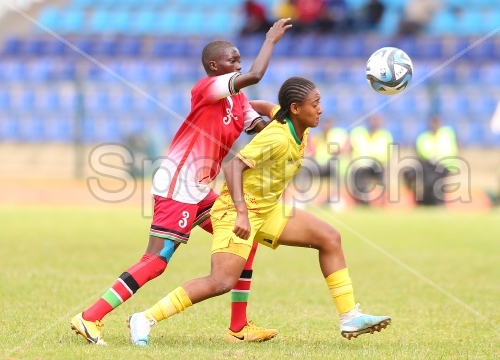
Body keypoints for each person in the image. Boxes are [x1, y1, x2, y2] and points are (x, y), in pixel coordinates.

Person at [70, 19, 293, 345]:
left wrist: (287, 118)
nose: (239, 64)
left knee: (245, 239)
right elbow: (256, 75)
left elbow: (259, 126)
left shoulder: (238, 100)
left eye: (240, 59)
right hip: (179, 185)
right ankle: (90, 317)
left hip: (200, 189)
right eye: (233, 60)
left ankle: (239, 327)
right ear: (215, 66)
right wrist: (270, 40)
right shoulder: (208, 88)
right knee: (157, 260)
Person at [127, 77, 391, 346]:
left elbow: (266, 106)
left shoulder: (296, 121)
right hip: (235, 212)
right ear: (296, 108)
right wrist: (241, 212)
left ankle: (349, 316)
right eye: (316, 104)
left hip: (267, 211)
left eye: (320, 102)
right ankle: (144, 318)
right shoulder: (275, 137)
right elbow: (233, 168)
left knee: (330, 238)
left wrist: (240, 110)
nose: (321, 109)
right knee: (221, 281)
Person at [405, 115, 458, 205]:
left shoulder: (447, 135)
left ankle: (436, 202)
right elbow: (421, 153)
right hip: (427, 165)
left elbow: (451, 152)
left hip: (444, 165)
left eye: (436, 123)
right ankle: (419, 200)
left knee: (432, 178)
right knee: (409, 174)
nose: (434, 125)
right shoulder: (423, 137)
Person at [349, 115, 393, 204]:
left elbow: (387, 155)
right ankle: (362, 200)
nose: (374, 124)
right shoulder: (359, 133)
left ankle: (382, 202)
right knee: (356, 173)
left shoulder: (384, 135)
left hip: (377, 165)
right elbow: (352, 149)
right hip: (361, 165)